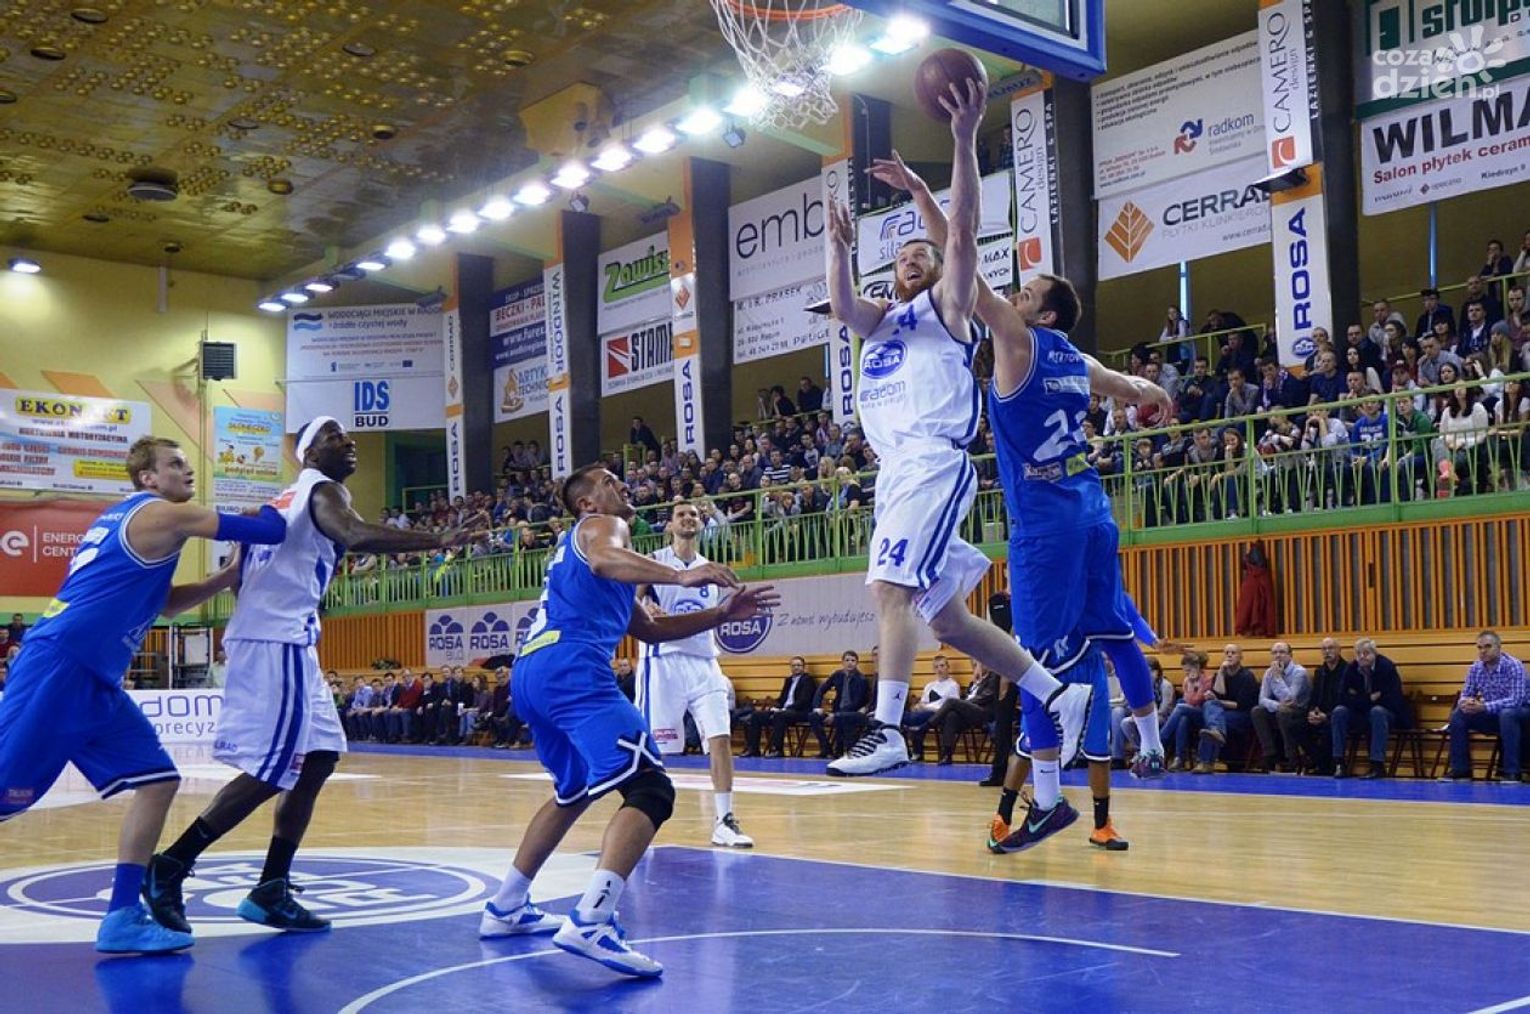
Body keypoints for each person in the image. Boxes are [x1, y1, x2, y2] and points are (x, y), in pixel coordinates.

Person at [871, 153, 1175, 814]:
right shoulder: (1079, 359)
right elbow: (1133, 388)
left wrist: (921, 191)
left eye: (1026, 294)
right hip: (1094, 510)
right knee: (1114, 631)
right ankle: (1151, 743)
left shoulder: (1015, 339)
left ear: (1044, 317)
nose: (1013, 297)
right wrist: (1154, 396)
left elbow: (959, 250)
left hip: (1044, 524)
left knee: (1033, 659)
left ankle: (1046, 797)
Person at [821, 80, 1088, 789]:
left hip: (932, 465)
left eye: (924, 253)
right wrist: (838, 248)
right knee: (948, 623)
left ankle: (888, 729)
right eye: (904, 255)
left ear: (943, 272)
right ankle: (1059, 694)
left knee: (888, 589)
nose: (913, 258)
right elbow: (843, 303)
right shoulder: (882, 320)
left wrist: (959, 143)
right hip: (895, 474)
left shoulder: (946, 308)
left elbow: (962, 229)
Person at [144, 418, 483, 937]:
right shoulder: (323, 490)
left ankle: (270, 887)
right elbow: (355, 534)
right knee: (275, 769)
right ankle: (171, 865)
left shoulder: (280, 502)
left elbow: (243, 580)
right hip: (276, 639)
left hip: (286, 638)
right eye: (333, 437)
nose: (349, 442)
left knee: (320, 756)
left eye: (347, 436)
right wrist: (439, 537)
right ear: (309, 454)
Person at [474, 463, 776, 977]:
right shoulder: (601, 528)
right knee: (652, 789)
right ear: (586, 504)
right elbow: (603, 556)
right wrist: (681, 575)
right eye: (608, 483)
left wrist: (721, 615)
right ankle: (592, 919)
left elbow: (652, 630)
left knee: (572, 793)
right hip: (571, 667)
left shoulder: (607, 565)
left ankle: (506, 906)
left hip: (532, 673)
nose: (621, 486)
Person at [0, 435, 287, 953]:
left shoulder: (131, 521)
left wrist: (226, 576)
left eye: (186, 463)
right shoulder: (160, 513)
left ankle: (122, 917)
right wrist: (289, 500)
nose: (187, 470)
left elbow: (167, 604)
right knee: (4, 795)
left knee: (158, 781)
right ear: (148, 478)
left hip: (95, 677)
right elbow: (272, 530)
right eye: (175, 464)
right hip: (61, 666)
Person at [634, 502, 754, 848]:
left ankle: (724, 820)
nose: (689, 518)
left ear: (701, 525)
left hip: (704, 661)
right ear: (669, 525)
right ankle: (639, 817)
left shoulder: (711, 569)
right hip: (663, 661)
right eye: (681, 515)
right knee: (654, 748)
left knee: (720, 737)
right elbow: (630, 602)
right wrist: (645, 608)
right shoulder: (653, 562)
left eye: (694, 515)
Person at [1440, 630, 1526, 783]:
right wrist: (1467, 703)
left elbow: (1516, 700)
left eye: (1487, 646)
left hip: (1520, 715)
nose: (1483, 651)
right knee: (1458, 715)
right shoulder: (1475, 668)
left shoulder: (1514, 666)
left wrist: (1484, 706)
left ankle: (1512, 771)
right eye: (1479, 647)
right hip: (1493, 715)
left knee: (1507, 714)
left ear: (1499, 647)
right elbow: (1465, 694)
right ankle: (1461, 770)